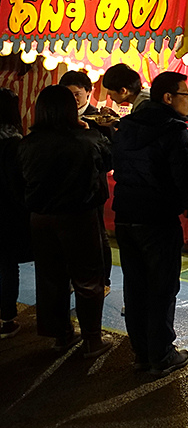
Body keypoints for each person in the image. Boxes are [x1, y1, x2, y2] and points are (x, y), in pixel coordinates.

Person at [18, 85, 113, 358]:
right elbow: (108, 159)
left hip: (40, 219)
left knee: (50, 278)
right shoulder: (87, 140)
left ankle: (61, 336)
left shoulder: (27, 144)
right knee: (87, 279)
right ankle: (92, 341)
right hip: (78, 217)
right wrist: (98, 130)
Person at [112, 71, 188, 377]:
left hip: (125, 216)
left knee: (135, 286)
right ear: (168, 98)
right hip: (158, 219)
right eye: (186, 95)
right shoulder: (175, 131)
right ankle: (161, 355)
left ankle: (141, 353)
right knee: (161, 288)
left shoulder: (126, 127)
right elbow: (184, 176)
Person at [59, 70, 113, 297]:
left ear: (88, 92)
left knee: (98, 233)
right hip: (67, 186)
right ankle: (75, 277)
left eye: (77, 94)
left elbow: (109, 154)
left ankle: (104, 279)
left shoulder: (98, 118)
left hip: (93, 185)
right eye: (68, 94)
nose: (73, 99)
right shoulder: (59, 117)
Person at [0, 89, 28, 339]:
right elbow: (17, 185)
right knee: (6, 265)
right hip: (7, 214)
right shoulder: (14, 144)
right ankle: (6, 319)